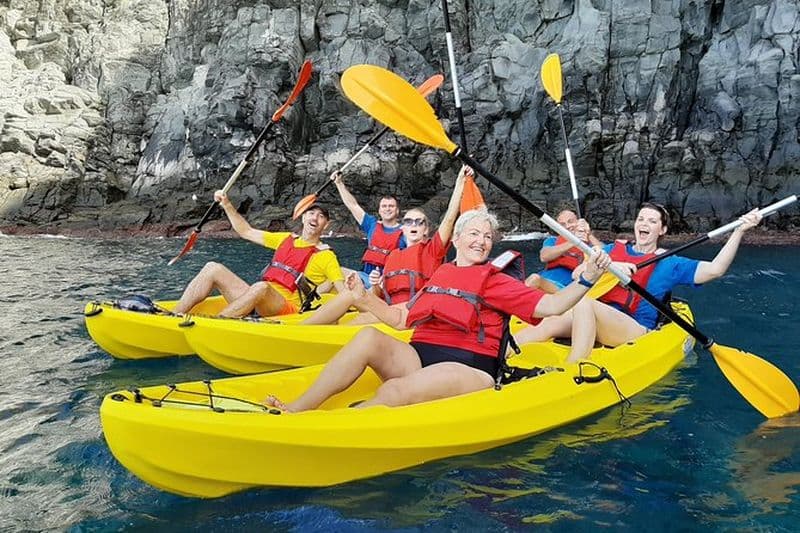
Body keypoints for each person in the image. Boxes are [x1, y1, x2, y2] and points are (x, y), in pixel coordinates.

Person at [265, 209, 612, 412]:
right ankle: (298, 408)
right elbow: (400, 318)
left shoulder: (494, 279)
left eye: (487, 237)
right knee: (368, 336)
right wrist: (363, 298)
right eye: (473, 233)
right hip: (421, 355)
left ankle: (336, 428)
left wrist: (587, 280)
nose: (481, 241)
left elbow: (551, 305)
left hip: (470, 367)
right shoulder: (441, 273)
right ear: (457, 240)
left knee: (395, 392)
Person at [514, 202, 764, 362]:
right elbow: (579, 274)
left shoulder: (670, 263)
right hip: (596, 316)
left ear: (662, 230)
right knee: (550, 323)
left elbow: (715, 270)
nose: (644, 224)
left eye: (652, 221)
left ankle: (573, 368)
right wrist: (611, 267)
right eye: (641, 219)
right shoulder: (612, 249)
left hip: (634, 327)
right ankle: (502, 354)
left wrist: (739, 231)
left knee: (584, 304)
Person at [301, 165, 471, 326]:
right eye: (409, 221)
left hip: (411, 311)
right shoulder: (393, 255)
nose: (413, 225)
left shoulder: (432, 250)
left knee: (352, 320)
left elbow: (449, 218)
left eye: (419, 222)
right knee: (348, 291)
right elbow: (380, 296)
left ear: (426, 230)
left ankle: (307, 329)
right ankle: (303, 321)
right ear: (403, 227)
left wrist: (460, 183)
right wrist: (375, 284)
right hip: (386, 305)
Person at [173, 191, 345, 318]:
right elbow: (246, 231)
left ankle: (216, 324)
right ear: (303, 217)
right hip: (258, 300)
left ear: (326, 225)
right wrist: (226, 204)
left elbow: (343, 293)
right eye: (311, 213)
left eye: (321, 216)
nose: (314, 218)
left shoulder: (326, 256)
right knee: (212, 268)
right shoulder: (285, 239)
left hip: (286, 310)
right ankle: (174, 315)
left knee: (262, 287)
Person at [331, 170, 405, 286]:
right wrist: (339, 184)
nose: (387, 209)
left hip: (385, 282)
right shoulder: (371, 224)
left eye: (391, 206)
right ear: (380, 210)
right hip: (365, 277)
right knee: (335, 271)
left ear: (397, 211)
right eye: (384, 206)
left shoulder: (405, 232)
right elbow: (353, 205)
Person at [525, 206, 603, 293]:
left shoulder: (590, 241)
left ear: (579, 221)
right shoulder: (552, 240)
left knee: (534, 279)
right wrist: (574, 241)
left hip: (569, 289)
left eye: (571, 221)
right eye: (562, 225)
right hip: (546, 281)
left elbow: (608, 253)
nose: (568, 226)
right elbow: (544, 256)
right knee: (534, 279)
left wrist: (588, 233)